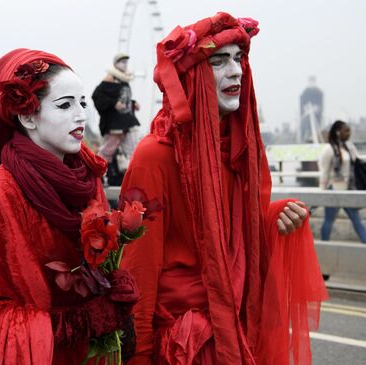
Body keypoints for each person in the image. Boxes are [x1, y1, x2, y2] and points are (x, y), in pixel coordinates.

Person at [119, 13, 327, 364]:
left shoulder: (239, 149)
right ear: (189, 76)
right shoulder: (154, 155)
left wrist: (272, 217)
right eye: (218, 61)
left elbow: (229, 242)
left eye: (239, 58)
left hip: (236, 327)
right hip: (185, 346)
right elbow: (139, 268)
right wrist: (138, 356)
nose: (236, 71)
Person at [0, 49, 138, 364]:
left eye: (82, 103)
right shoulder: (0, 192)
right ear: (27, 116)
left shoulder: (87, 178)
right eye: (65, 105)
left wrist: (114, 288)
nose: (80, 115)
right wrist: (78, 322)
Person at [92, 53, 141, 186]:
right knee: (107, 151)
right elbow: (97, 96)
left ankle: (134, 180)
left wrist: (133, 103)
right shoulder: (110, 78)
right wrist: (113, 103)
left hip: (127, 121)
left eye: (126, 62)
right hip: (115, 124)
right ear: (115, 64)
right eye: (122, 62)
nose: (125, 64)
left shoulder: (125, 80)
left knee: (133, 151)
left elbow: (124, 98)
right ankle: (98, 176)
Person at [319, 120, 366, 242]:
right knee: (328, 221)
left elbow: (358, 162)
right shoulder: (329, 149)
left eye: (349, 130)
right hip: (334, 190)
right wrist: (322, 190)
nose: (349, 133)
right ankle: (324, 245)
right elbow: (324, 171)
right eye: (346, 130)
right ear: (338, 132)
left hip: (348, 190)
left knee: (357, 221)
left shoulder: (349, 147)